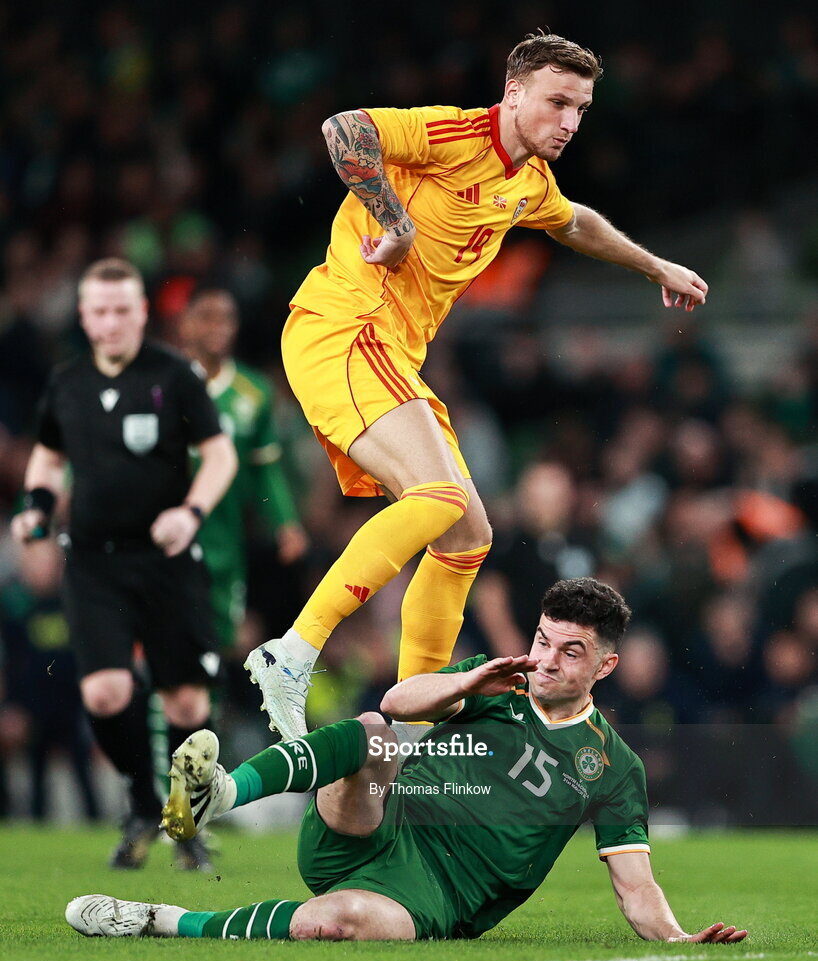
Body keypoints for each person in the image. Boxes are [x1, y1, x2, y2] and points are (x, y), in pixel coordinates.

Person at [242, 33, 710, 742]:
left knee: (467, 532)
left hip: (388, 351)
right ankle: (294, 652)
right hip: (344, 325)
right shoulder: (454, 134)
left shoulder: (528, 184)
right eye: (557, 102)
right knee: (439, 499)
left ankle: (412, 716)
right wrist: (395, 220)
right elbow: (345, 132)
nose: (569, 122)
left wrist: (655, 267)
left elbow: (574, 221)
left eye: (580, 109)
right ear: (514, 92)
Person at [66, 578, 746, 945]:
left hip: (437, 898)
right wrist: (462, 683)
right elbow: (396, 701)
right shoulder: (494, 681)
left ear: (606, 665)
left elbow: (636, 888)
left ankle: (157, 920)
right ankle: (220, 792)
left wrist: (680, 938)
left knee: (335, 924)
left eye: (571, 652)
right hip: (376, 826)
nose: (546, 660)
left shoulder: (617, 768)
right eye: (543, 641)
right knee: (372, 730)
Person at [11, 258, 238, 869]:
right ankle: (142, 798)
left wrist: (191, 512)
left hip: (166, 559)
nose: (110, 322)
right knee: (107, 694)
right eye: (99, 311)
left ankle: (185, 817)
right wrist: (35, 506)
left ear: (142, 312)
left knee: (188, 705)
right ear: (83, 316)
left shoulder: (175, 375)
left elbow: (220, 458)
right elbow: (48, 461)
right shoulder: (67, 384)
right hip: (93, 562)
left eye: (121, 310)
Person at [177, 286, 308, 654]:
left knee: (220, 638)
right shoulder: (164, 386)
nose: (219, 327)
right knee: (170, 636)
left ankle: (209, 712)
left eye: (227, 318)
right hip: (170, 529)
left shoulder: (254, 392)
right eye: (207, 317)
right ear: (185, 325)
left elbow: (267, 467)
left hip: (226, 534)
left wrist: (286, 523)